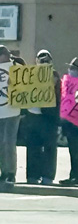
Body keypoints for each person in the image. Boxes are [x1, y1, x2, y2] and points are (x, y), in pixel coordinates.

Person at [21, 49, 61, 184]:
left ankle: (47, 177)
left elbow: (59, 96)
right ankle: (32, 176)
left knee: (49, 147)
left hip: (49, 117)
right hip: (32, 116)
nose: (43, 61)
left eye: (46, 59)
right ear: (36, 60)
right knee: (33, 146)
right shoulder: (30, 75)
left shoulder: (54, 76)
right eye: (41, 59)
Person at [58, 57, 78, 186]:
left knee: (76, 149)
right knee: (73, 149)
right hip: (68, 120)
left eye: (73, 68)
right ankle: (74, 175)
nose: (70, 70)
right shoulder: (68, 83)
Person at [0, 45, 18, 183]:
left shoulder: (16, 68)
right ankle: (4, 171)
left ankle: (11, 172)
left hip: (12, 111)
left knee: (9, 143)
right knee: (1, 144)